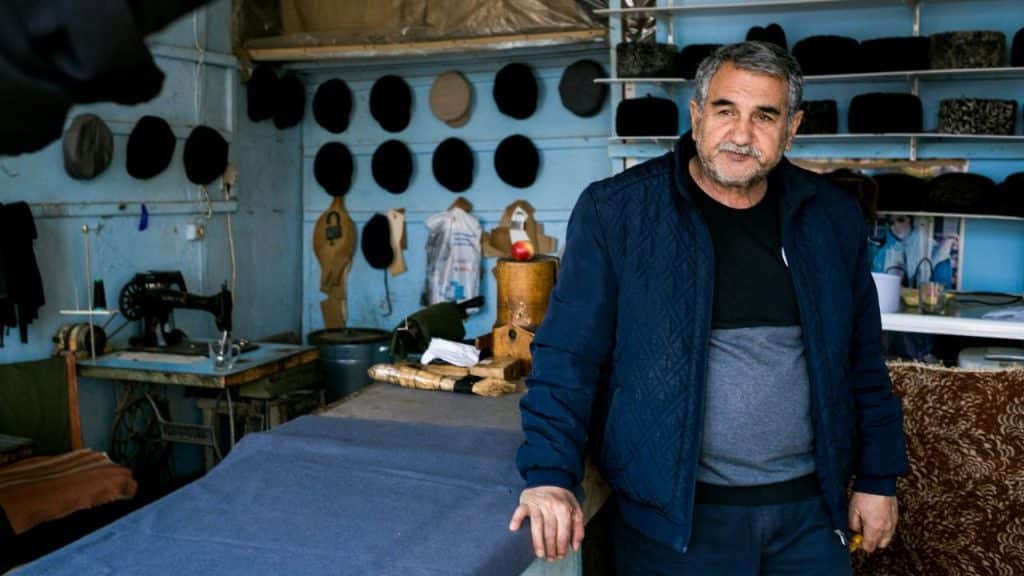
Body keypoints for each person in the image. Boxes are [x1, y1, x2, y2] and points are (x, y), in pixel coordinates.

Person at [508, 41, 908, 575]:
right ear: (697, 116)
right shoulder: (617, 213)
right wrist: (549, 475)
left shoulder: (830, 218)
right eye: (725, 110)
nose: (741, 135)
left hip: (810, 518)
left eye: (764, 116)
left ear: (792, 128)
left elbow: (863, 362)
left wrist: (879, 479)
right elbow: (566, 359)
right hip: (675, 523)